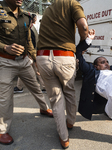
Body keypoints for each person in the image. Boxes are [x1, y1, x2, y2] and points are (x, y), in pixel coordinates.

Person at [36, 0, 88, 149]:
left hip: (43, 57)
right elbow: (83, 26)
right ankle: (70, 122)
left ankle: (63, 137)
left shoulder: (47, 10)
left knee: (55, 97)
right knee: (69, 91)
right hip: (64, 56)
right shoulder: (72, 3)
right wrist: (84, 40)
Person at [0, 0, 53, 145]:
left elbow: (28, 40)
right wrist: (5, 47)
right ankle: (2, 130)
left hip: (24, 61)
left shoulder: (25, 15)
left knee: (36, 87)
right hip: (5, 62)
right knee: (5, 98)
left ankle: (44, 108)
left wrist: (36, 60)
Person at [14, 14, 46, 94]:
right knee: (36, 71)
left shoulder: (30, 29)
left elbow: (31, 43)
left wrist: (31, 55)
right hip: (34, 53)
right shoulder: (32, 28)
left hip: (31, 54)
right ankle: (44, 87)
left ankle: (19, 87)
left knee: (25, 69)